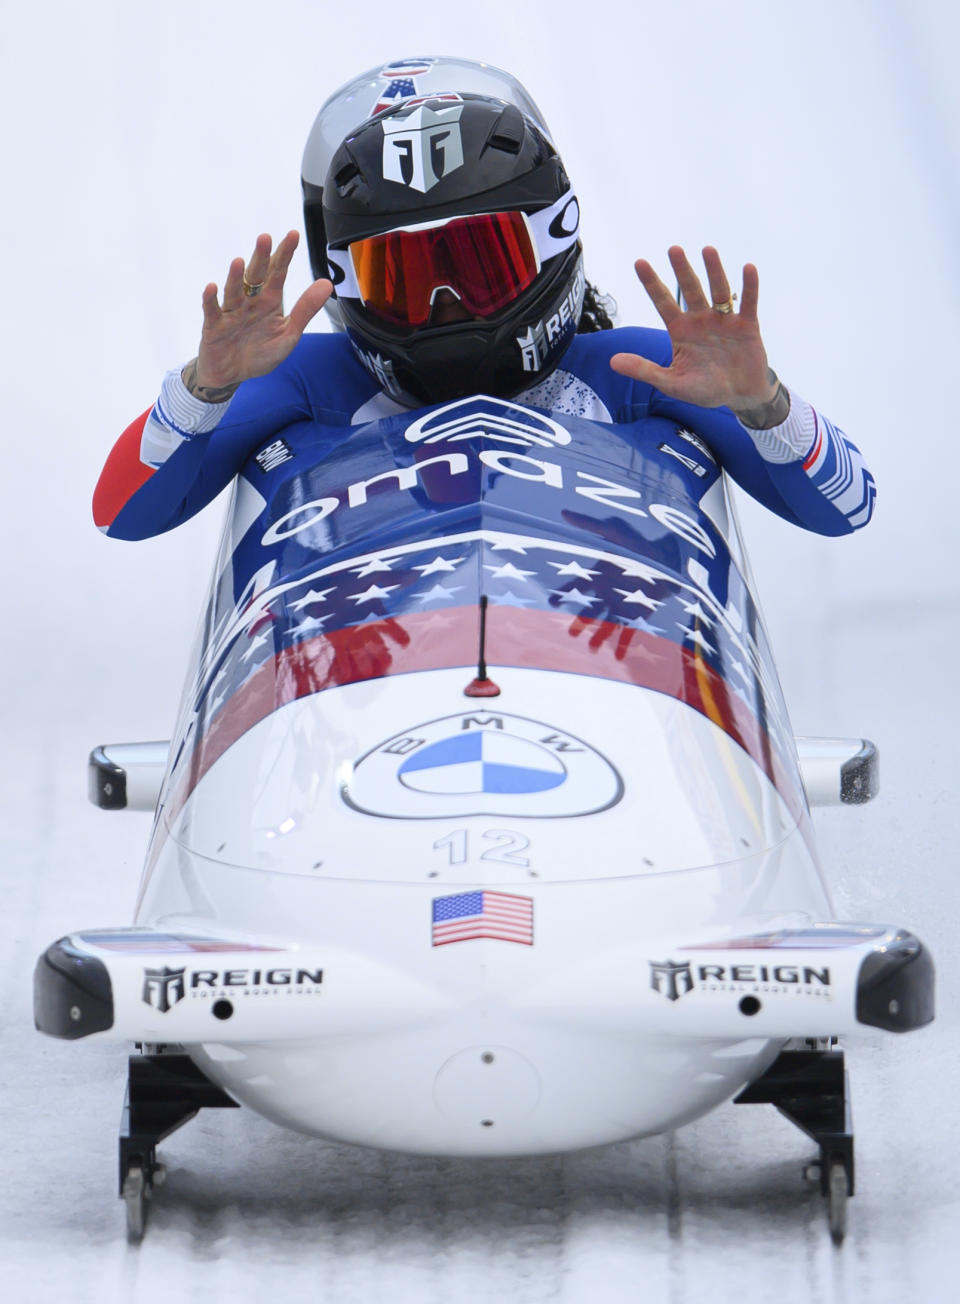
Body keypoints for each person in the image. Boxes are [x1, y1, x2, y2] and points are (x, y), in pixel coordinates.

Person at [93, 57, 874, 542]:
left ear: (553, 242)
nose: (446, 305)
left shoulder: (649, 370)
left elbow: (848, 509)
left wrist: (764, 405)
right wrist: (203, 389)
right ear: (348, 283)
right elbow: (120, 515)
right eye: (403, 279)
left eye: (477, 262)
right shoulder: (305, 378)